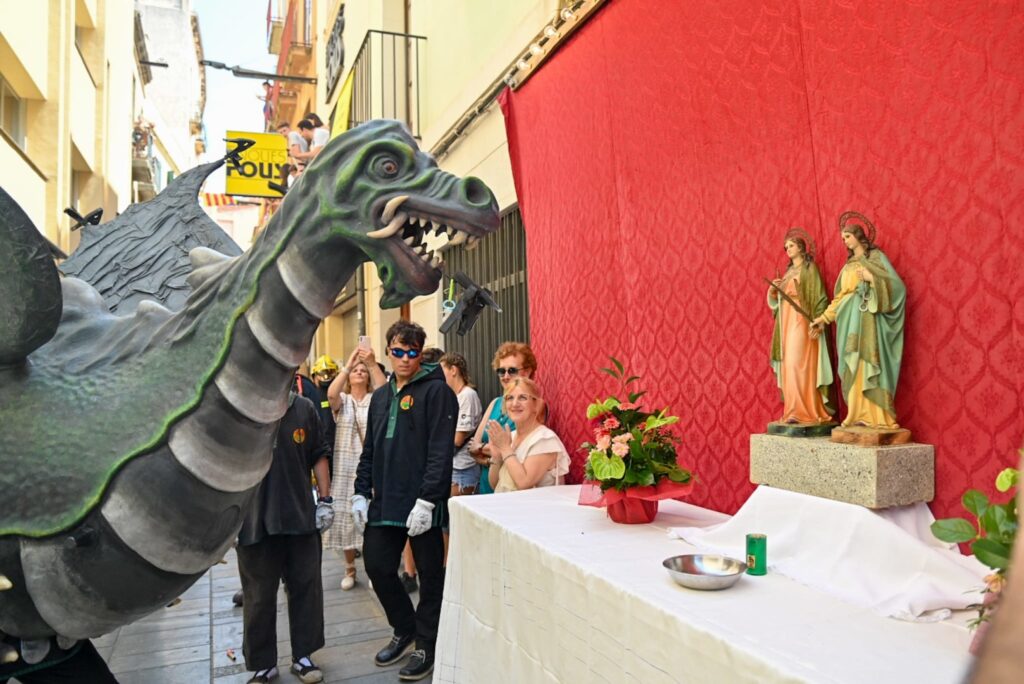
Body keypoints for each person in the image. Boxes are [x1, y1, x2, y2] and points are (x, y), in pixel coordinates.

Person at [352, 321, 456, 681]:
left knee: (430, 575)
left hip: (423, 502)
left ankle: (427, 642)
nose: (405, 358)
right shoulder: (381, 396)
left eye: (412, 352)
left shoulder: (437, 393)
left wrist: (428, 501)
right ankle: (405, 626)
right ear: (388, 352)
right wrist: (360, 491)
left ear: (420, 352)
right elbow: (371, 449)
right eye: (398, 351)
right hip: (387, 499)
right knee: (378, 566)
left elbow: (441, 452)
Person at [236, 391, 334, 684]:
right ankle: (263, 663)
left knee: (306, 588)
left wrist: (326, 500)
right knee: (258, 596)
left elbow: (318, 452)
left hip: (299, 514)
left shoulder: (303, 408)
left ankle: (303, 656)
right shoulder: (241, 409)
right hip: (254, 519)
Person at [811, 212, 906, 429]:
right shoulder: (848, 266)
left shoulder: (876, 259)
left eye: (847, 236)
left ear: (858, 236)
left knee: (869, 363)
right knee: (852, 361)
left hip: (871, 322)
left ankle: (879, 417)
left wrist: (873, 278)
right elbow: (841, 296)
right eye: (843, 238)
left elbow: (898, 288)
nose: (844, 241)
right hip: (850, 321)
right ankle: (855, 413)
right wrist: (823, 319)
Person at [324, 346, 387, 591]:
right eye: (356, 371)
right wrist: (348, 364)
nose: (360, 373)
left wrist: (371, 363)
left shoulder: (375, 399)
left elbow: (385, 390)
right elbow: (330, 393)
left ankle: (372, 567)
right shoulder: (344, 401)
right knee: (346, 518)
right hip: (344, 466)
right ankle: (349, 569)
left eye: (364, 371)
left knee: (370, 519)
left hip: (370, 467)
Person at [767, 228, 835, 424]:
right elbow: (777, 302)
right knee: (788, 364)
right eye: (786, 247)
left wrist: (819, 320)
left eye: (791, 245)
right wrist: (773, 290)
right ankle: (793, 410)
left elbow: (820, 296)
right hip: (786, 321)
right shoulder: (788, 272)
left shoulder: (809, 269)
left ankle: (807, 411)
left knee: (799, 363)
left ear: (801, 247)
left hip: (801, 319)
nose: (787, 249)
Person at [467, 342, 539, 494]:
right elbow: (473, 446)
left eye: (512, 370)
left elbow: (521, 449)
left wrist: (488, 452)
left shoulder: (535, 405)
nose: (506, 376)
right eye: (501, 371)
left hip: (511, 485)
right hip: (487, 481)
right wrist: (493, 455)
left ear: (526, 371)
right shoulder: (495, 403)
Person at [485, 377, 569, 492]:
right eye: (510, 398)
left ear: (536, 405)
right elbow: (495, 485)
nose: (515, 404)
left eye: (522, 398)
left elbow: (524, 483)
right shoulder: (511, 436)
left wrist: (505, 448)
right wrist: (497, 457)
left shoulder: (545, 439)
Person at [441, 352, 482, 496]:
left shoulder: (467, 395)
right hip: (454, 466)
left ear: (453, 370)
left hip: (463, 468)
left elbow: (458, 439)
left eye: (442, 370)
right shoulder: (455, 396)